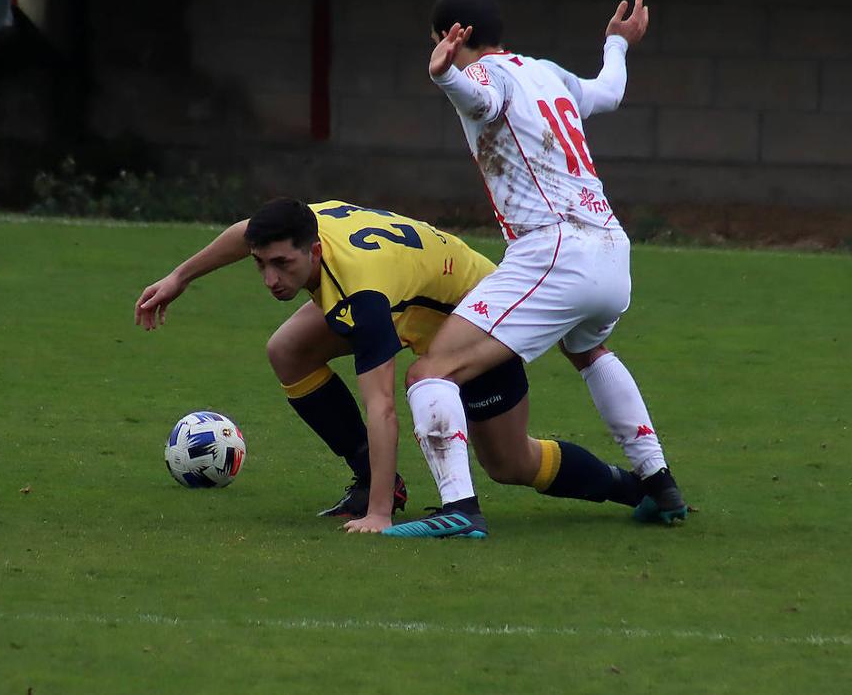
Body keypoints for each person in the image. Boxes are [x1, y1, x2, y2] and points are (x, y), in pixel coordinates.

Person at [136, 199, 649, 538]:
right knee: (288, 349)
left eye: (283, 266)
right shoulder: (304, 227)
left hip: (482, 318)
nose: (271, 279)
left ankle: (631, 488)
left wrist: (379, 517)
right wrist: (180, 277)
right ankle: (372, 479)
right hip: (409, 295)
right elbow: (244, 232)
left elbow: (381, 405)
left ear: (312, 250)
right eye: (262, 265)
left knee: (510, 464)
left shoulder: (363, 293)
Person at [394, 0, 688, 538]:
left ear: (454, 37)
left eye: (438, 40)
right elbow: (609, 92)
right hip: (611, 247)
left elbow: (479, 100)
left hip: (556, 248)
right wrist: (618, 44)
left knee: (429, 371)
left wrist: (444, 77)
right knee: (588, 350)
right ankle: (659, 482)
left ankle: (459, 509)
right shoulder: (547, 73)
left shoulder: (484, 76)